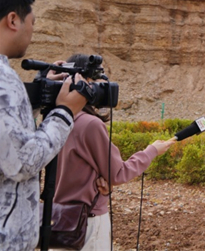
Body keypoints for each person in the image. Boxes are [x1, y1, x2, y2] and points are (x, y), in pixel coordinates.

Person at [50, 53, 176, 251]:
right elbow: (118, 173)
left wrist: (96, 179)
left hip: (57, 220)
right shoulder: (89, 124)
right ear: (83, 85)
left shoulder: (54, 120)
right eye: (96, 83)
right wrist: (151, 151)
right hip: (87, 222)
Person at [0, 0, 88, 251]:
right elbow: (23, 163)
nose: (32, 31)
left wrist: (42, 94)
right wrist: (64, 112)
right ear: (13, 20)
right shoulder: (2, 82)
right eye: (32, 22)